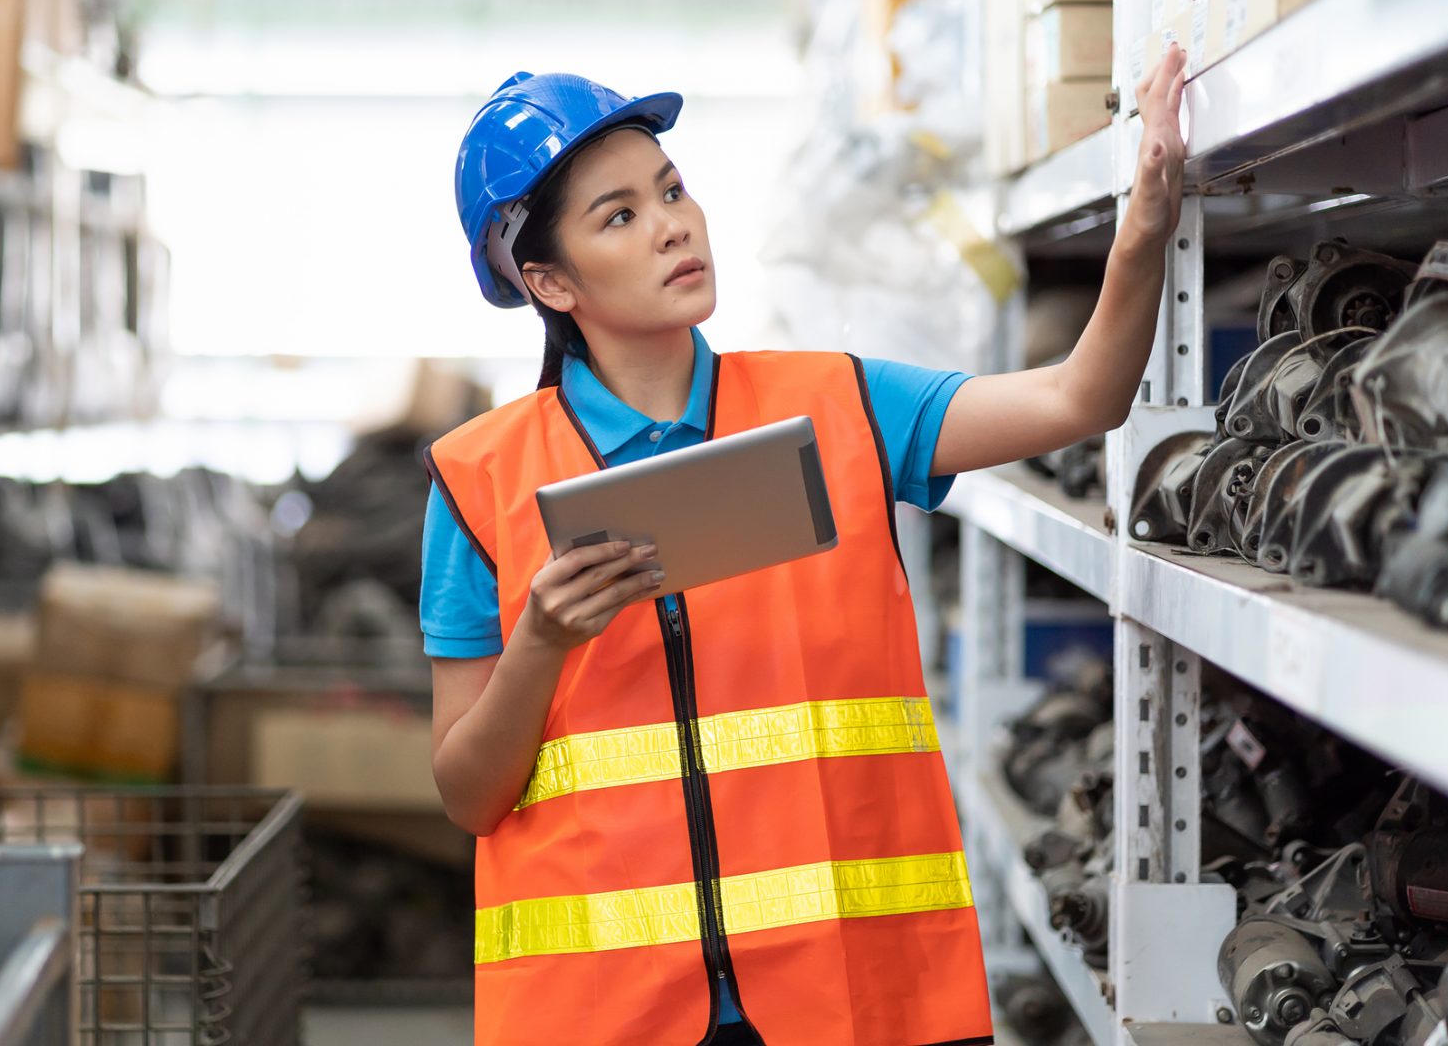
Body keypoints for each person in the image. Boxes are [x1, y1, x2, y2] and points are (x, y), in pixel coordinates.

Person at [421, 51, 1189, 1046]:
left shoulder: (841, 406)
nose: (672, 224)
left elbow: (1078, 398)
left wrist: (1144, 231)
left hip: (847, 997)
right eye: (619, 216)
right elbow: (469, 795)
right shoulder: (478, 480)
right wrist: (539, 642)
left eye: (671, 189)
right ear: (548, 279)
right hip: (609, 1017)